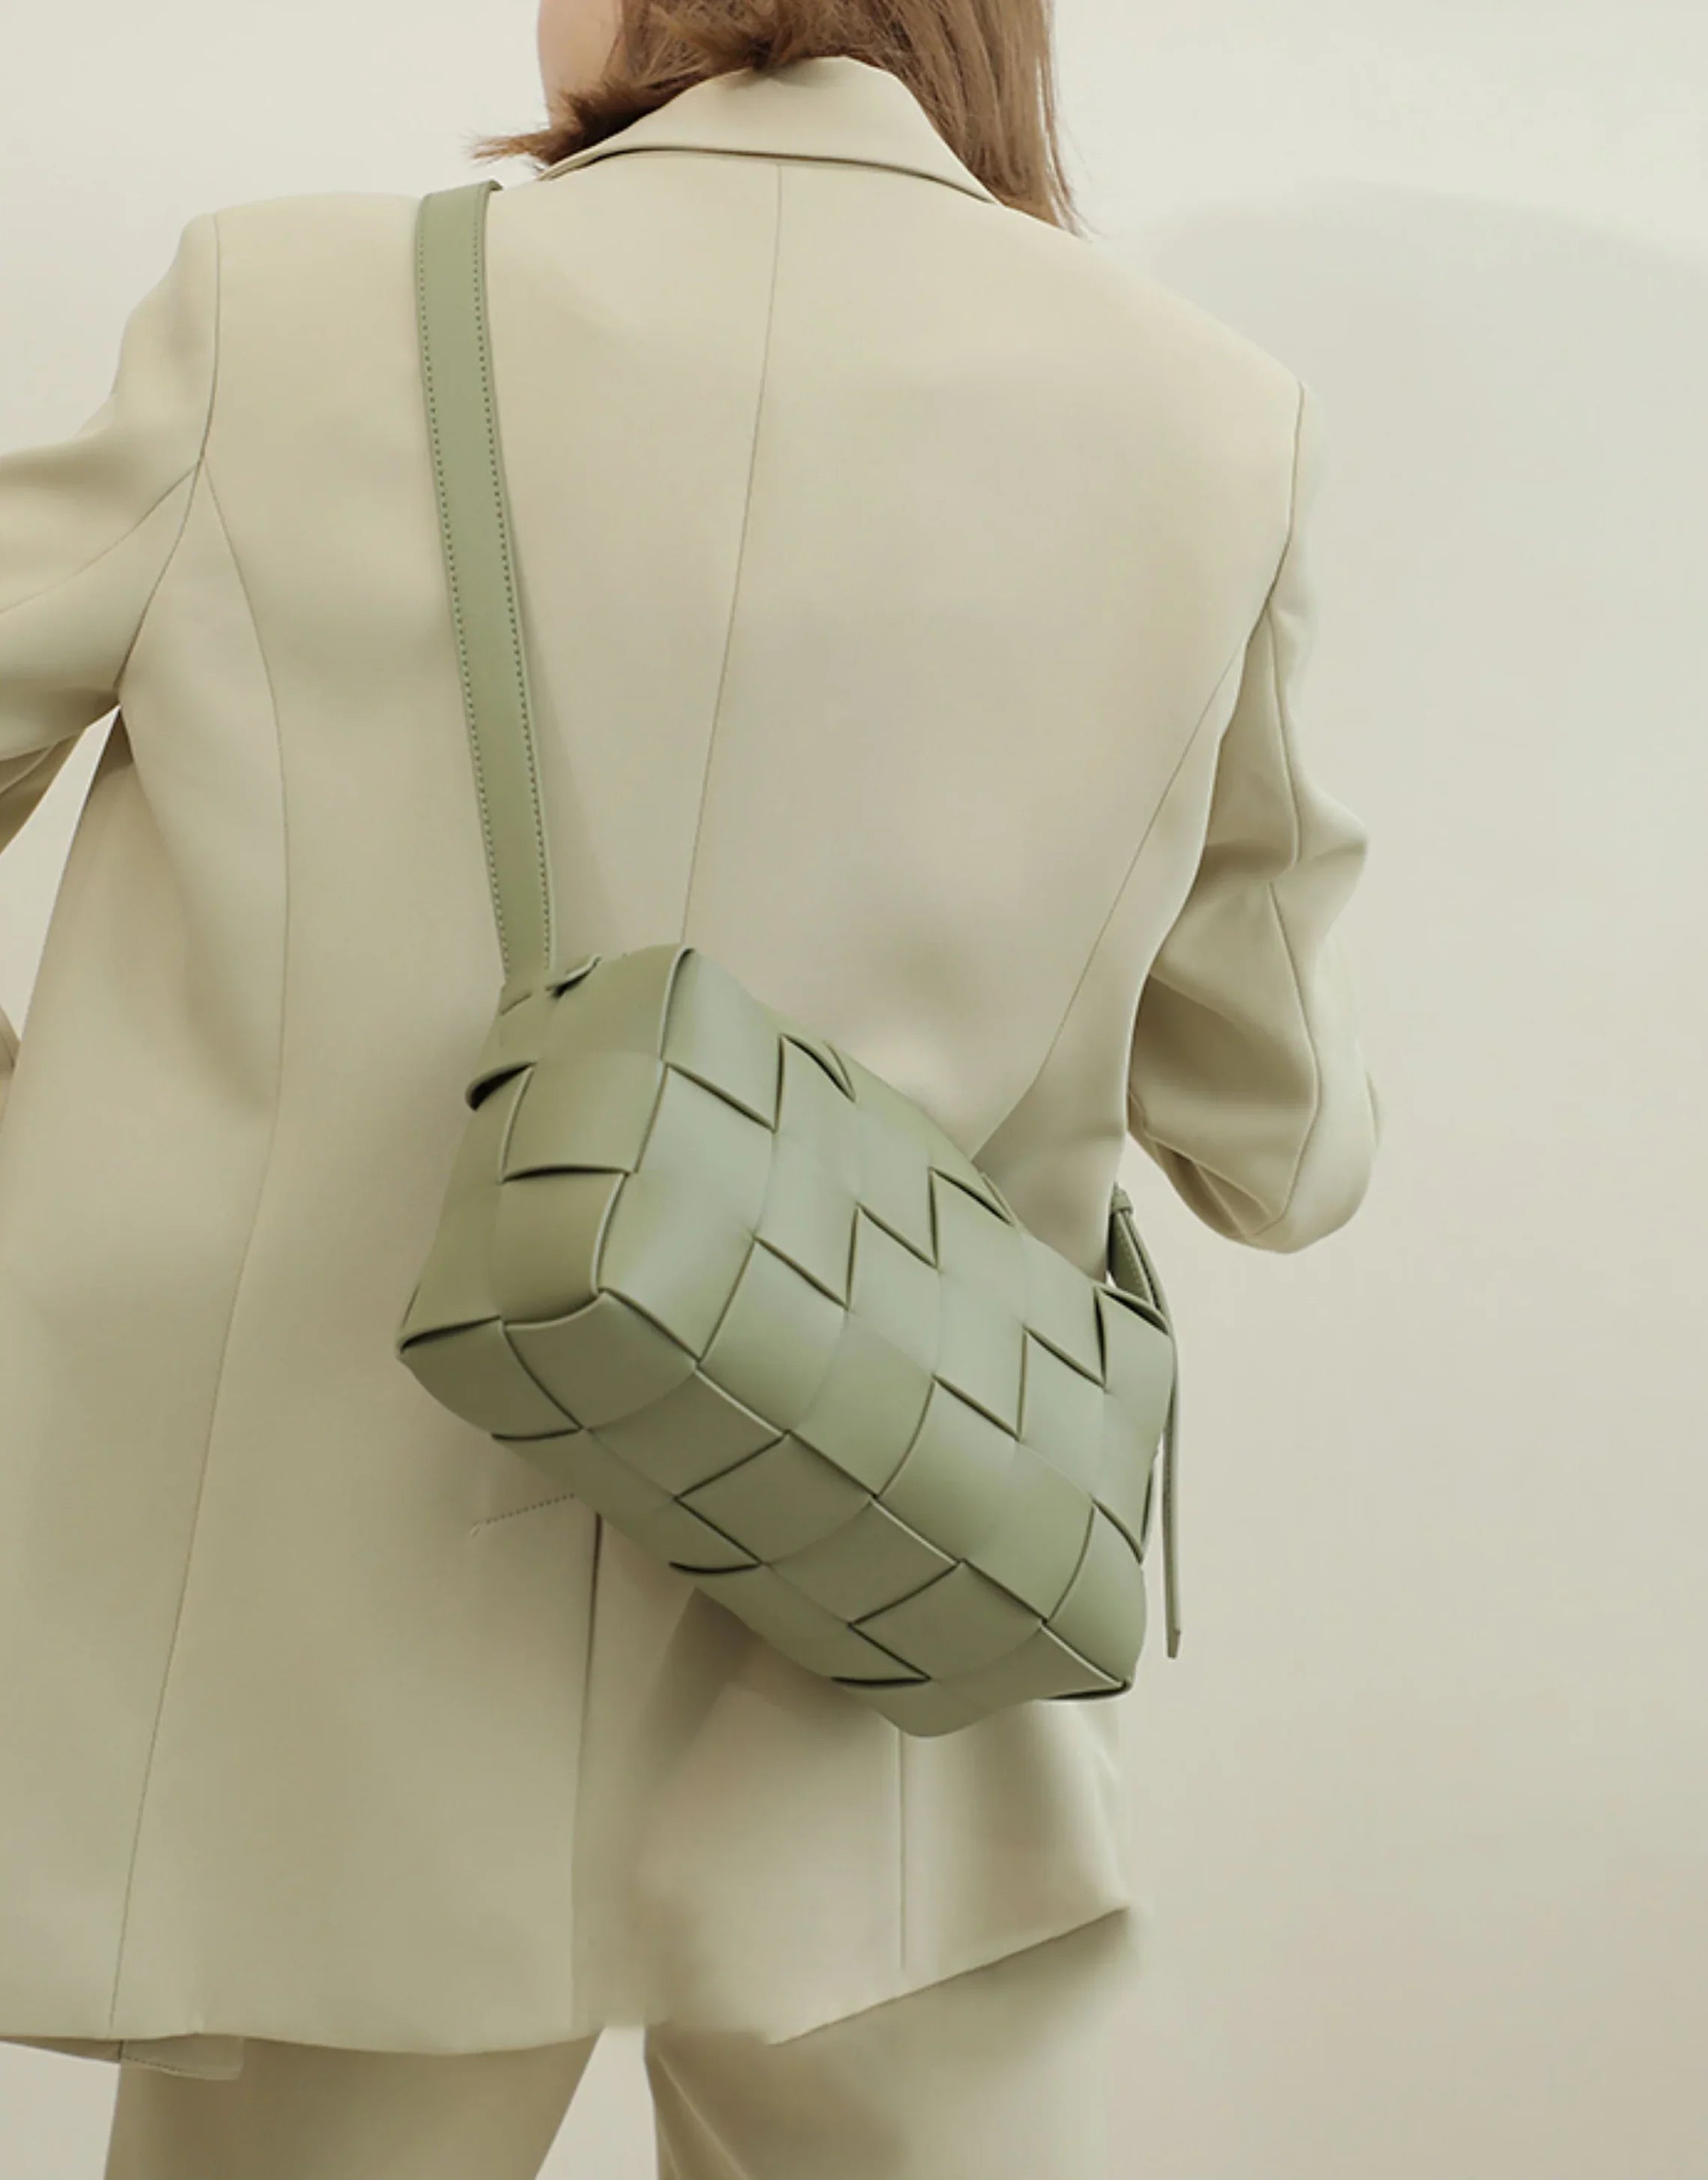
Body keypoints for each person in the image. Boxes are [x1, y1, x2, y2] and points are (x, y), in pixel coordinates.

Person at [0, 0, 1381, 2173]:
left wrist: (75, 1151)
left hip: (322, 1715)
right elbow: (1279, 1149)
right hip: (886, 1659)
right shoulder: (1209, 422)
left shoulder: (286, 312)